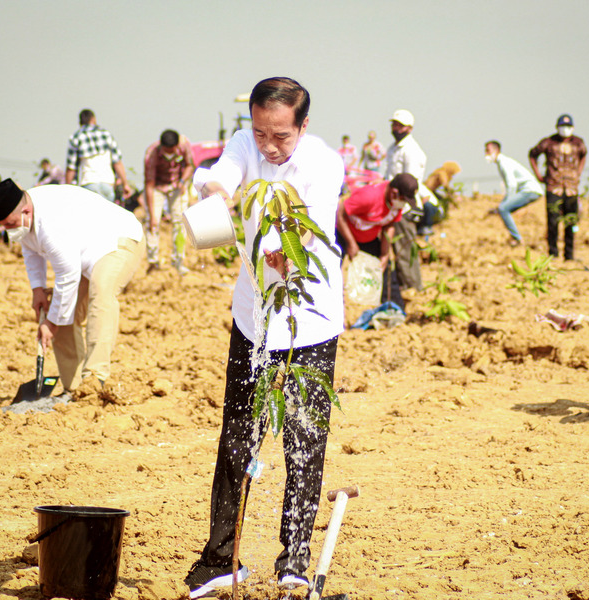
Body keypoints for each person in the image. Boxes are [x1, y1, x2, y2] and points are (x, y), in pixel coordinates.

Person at [185, 77, 344, 599]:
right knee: (237, 437)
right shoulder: (245, 145)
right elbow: (221, 176)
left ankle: (294, 561)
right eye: (260, 134)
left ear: (303, 126)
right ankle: (220, 559)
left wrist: (279, 249)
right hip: (254, 317)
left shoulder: (323, 163)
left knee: (303, 438)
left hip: (310, 318)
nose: (269, 147)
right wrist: (214, 195)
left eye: (281, 136)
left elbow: (307, 228)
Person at [0, 178, 145, 396]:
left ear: (27, 211)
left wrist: (50, 323)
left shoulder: (51, 223)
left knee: (101, 291)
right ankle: (75, 388)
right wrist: (38, 290)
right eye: (3, 225)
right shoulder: (23, 217)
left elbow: (67, 276)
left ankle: (95, 377)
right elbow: (30, 252)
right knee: (60, 310)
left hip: (117, 240)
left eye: (10, 224)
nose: (7, 230)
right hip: (82, 253)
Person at [336, 173, 420, 309]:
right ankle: (333, 309)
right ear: (394, 193)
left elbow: (389, 225)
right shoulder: (369, 197)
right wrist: (351, 243)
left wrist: (385, 254)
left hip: (368, 236)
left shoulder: (395, 203)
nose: (403, 204)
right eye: (403, 199)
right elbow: (340, 213)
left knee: (385, 269)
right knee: (332, 270)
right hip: (343, 233)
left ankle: (394, 309)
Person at [529, 114, 587, 260]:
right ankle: (553, 253)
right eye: (562, 126)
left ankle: (569, 255)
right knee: (553, 221)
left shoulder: (578, 143)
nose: (565, 130)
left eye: (568, 127)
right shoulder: (549, 142)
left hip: (572, 188)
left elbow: (584, 155)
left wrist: (578, 173)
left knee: (571, 221)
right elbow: (533, 154)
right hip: (553, 187)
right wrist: (539, 175)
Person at [143, 129, 195, 274]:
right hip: (158, 187)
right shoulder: (152, 154)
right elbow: (149, 184)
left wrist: (183, 181)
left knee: (180, 222)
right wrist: (153, 214)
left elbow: (190, 166)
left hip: (176, 186)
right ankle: (153, 262)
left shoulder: (184, 147)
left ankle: (178, 261)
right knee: (152, 224)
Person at [384, 109, 426, 286]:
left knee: (405, 249)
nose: (395, 128)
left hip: (404, 207)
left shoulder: (412, 151)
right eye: (394, 124)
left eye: (399, 125)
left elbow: (410, 183)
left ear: (409, 128)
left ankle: (412, 287)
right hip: (392, 204)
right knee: (395, 247)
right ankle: (403, 284)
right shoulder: (393, 148)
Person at [64, 109, 133, 203]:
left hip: (88, 183)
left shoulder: (76, 137)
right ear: (93, 119)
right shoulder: (106, 134)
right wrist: (125, 184)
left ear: (80, 122)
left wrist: (67, 188)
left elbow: (71, 168)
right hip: (107, 183)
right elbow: (117, 162)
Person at [485, 140, 544, 246]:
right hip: (527, 191)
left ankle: (517, 238)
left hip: (530, 190)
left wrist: (505, 203)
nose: (486, 154)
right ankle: (514, 236)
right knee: (503, 209)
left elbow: (511, 184)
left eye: (488, 151)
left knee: (503, 209)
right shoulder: (501, 162)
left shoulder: (503, 162)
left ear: (496, 150)